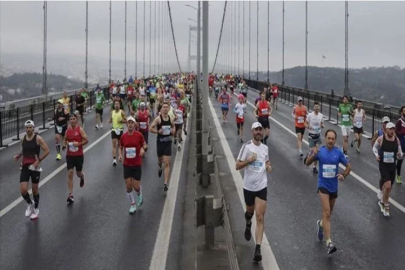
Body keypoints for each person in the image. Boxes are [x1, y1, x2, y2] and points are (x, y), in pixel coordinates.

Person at [305, 129, 351, 255]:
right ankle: (329, 242)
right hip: (323, 186)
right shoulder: (320, 151)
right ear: (325, 138)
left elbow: (349, 167)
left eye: (333, 139)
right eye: (328, 138)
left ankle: (320, 224)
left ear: (335, 140)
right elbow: (307, 163)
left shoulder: (338, 153)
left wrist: (343, 176)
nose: (330, 141)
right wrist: (312, 154)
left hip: (333, 187)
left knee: (328, 214)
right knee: (326, 213)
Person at [235, 122, 273, 262]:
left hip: (262, 186)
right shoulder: (246, 147)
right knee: (249, 212)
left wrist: (269, 166)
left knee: (260, 217)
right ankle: (247, 223)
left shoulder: (265, 148)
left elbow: (267, 162)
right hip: (249, 187)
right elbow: (237, 166)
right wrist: (248, 160)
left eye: (260, 130)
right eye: (256, 130)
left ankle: (258, 249)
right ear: (252, 132)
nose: (259, 132)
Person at [14, 120, 49, 220]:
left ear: (33, 128)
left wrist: (39, 160)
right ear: (25, 129)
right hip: (25, 166)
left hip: (35, 167)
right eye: (27, 127)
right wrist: (19, 155)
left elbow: (47, 150)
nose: (28, 129)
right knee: (23, 189)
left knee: (34, 190)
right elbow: (24, 149)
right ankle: (30, 203)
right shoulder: (23, 138)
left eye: (30, 127)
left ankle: (36, 209)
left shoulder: (38, 138)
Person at [373, 122, 403, 217]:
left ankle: (382, 198)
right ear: (386, 129)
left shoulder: (396, 139)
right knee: (388, 186)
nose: (392, 131)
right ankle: (385, 203)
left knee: (389, 185)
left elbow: (400, 152)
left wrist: (399, 155)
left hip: (392, 165)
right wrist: (377, 155)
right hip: (383, 165)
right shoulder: (381, 139)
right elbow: (374, 147)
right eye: (390, 129)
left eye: (393, 129)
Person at [119, 116, 147, 214]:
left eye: (132, 123)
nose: (130, 124)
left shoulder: (139, 135)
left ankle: (139, 193)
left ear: (135, 125)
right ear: (126, 125)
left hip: (136, 164)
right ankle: (132, 204)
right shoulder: (123, 136)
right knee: (128, 187)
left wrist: (143, 149)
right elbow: (120, 146)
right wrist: (120, 155)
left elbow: (144, 144)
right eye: (128, 123)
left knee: (136, 187)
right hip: (127, 165)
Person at [149, 102, 175, 192]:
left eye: (167, 107)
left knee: (167, 162)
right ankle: (160, 167)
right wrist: (157, 132)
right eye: (163, 107)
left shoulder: (171, 119)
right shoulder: (158, 119)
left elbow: (173, 127)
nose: (165, 109)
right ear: (161, 109)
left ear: (168, 109)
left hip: (168, 142)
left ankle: (165, 184)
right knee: (160, 160)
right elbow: (150, 128)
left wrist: (173, 131)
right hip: (160, 142)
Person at [62, 113, 88, 204]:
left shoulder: (80, 130)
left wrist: (79, 144)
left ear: (76, 120)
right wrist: (64, 145)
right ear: (69, 121)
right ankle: (71, 194)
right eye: (71, 119)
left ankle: (82, 176)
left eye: (73, 119)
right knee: (70, 173)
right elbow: (65, 139)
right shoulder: (67, 131)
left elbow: (86, 140)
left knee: (78, 173)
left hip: (79, 155)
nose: (72, 120)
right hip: (70, 156)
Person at [304, 101, 324, 174]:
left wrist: (322, 125)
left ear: (319, 108)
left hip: (318, 136)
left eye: (318, 107)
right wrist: (308, 126)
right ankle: (309, 155)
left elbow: (321, 123)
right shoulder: (310, 115)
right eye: (315, 107)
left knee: (316, 152)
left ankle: (314, 167)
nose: (317, 108)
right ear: (313, 107)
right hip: (311, 136)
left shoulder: (321, 115)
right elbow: (305, 123)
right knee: (313, 152)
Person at [109, 100, 127, 166]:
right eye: (115, 104)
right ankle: (114, 159)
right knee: (114, 144)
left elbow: (126, 120)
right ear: (114, 105)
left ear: (119, 105)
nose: (116, 105)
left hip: (120, 130)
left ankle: (120, 156)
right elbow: (111, 119)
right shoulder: (112, 112)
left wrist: (122, 121)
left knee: (120, 145)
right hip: (114, 129)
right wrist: (109, 121)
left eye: (117, 104)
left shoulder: (121, 112)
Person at [395, 106, 405, 184]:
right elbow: (396, 132)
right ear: (401, 112)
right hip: (401, 145)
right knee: (400, 161)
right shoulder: (399, 121)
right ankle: (398, 175)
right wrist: (402, 133)